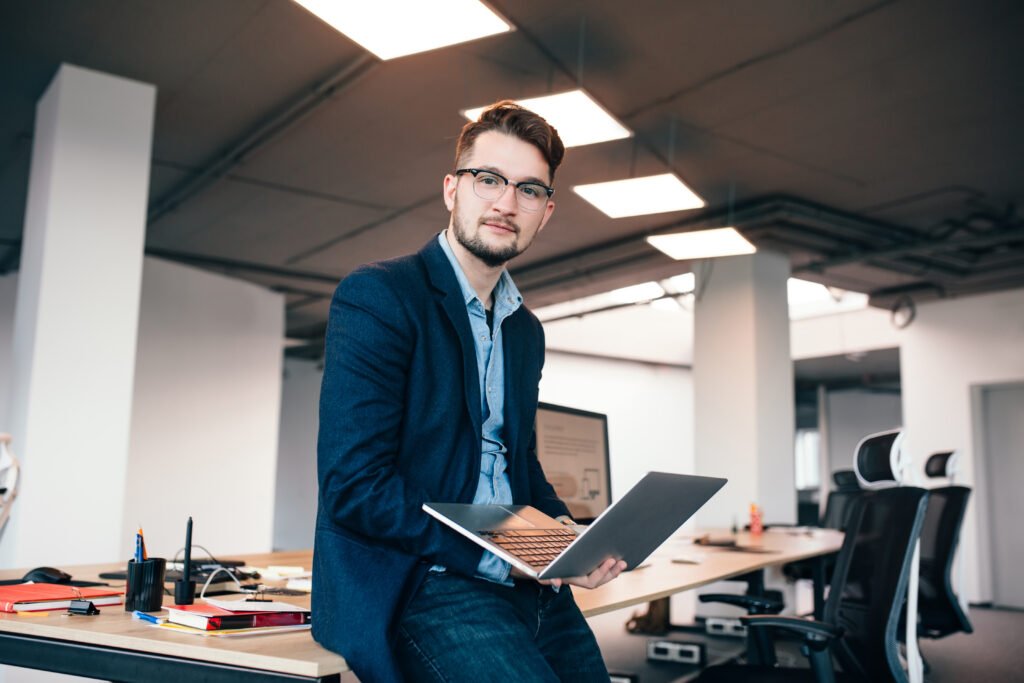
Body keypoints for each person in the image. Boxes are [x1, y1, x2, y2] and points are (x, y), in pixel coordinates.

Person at [312, 100, 626, 683]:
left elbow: (518, 464)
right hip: (423, 581)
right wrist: (497, 557)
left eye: (528, 190)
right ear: (452, 189)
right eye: (489, 180)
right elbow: (354, 487)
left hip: (525, 583)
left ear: (546, 213)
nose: (506, 203)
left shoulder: (524, 330)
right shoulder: (380, 295)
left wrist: (565, 539)